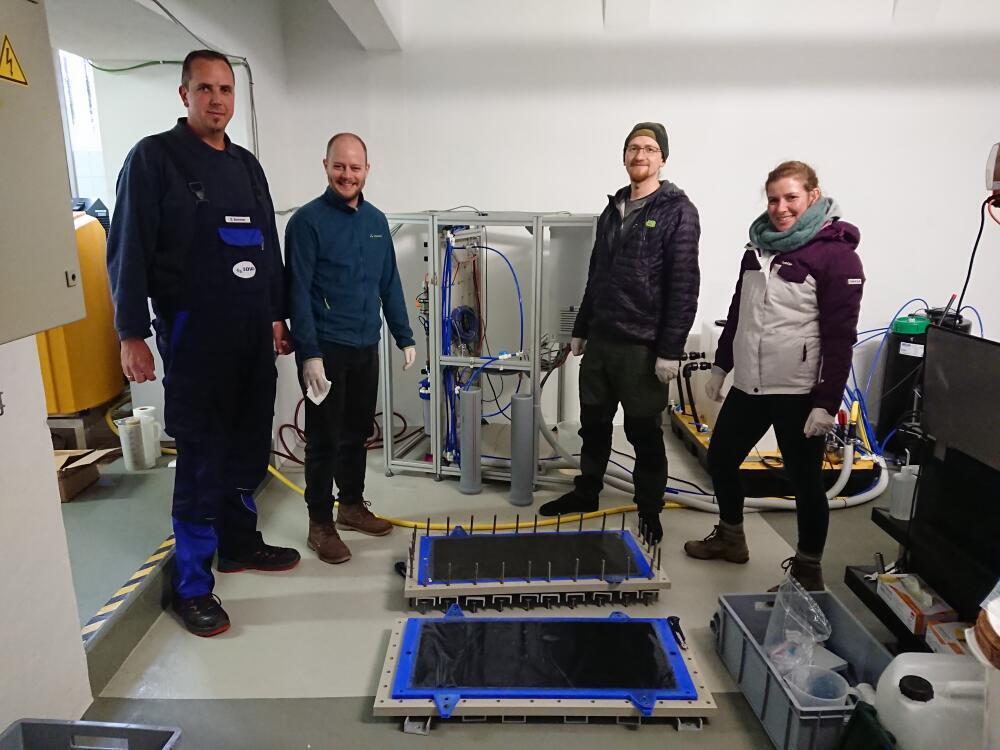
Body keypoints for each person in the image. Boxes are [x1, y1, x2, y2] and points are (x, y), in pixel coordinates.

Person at [106, 50, 300, 637]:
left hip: (251, 339)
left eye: (226, 89)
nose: (217, 99)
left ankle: (239, 544)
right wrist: (131, 332)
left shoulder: (245, 166)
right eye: (205, 89)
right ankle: (192, 584)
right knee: (199, 459)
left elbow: (267, 246)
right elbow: (127, 248)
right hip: (194, 338)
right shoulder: (153, 159)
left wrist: (277, 315)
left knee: (246, 449)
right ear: (183, 93)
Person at [684, 160, 864, 591]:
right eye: (773, 199)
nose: (781, 208)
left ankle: (807, 570)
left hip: (798, 390)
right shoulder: (758, 248)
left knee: (805, 481)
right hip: (751, 384)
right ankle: (731, 538)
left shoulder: (836, 256)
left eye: (791, 198)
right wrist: (722, 365)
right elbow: (738, 311)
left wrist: (827, 402)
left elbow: (841, 337)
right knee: (722, 458)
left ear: (813, 197)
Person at [539, 122, 701, 544]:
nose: (639, 155)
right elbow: (596, 275)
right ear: (624, 156)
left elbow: (684, 286)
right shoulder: (613, 211)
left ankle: (650, 508)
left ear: (662, 158)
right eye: (633, 148)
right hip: (602, 342)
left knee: (644, 433)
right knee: (593, 426)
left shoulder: (678, 211)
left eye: (649, 149)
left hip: (643, 348)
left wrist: (670, 350)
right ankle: (587, 492)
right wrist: (580, 330)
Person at [285, 133, 415, 565]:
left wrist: (404, 335)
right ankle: (319, 523)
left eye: (355, 168)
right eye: (340, 166)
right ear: (325, 166)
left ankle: (352, 506)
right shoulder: (306, 222)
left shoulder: (376, 221)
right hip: (327, 350)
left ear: (366, 170)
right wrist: (309, 352)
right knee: (323, 439)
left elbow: (389, 284)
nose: (347, 174)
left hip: (365, 347)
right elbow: (297, 292)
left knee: (357, 433)